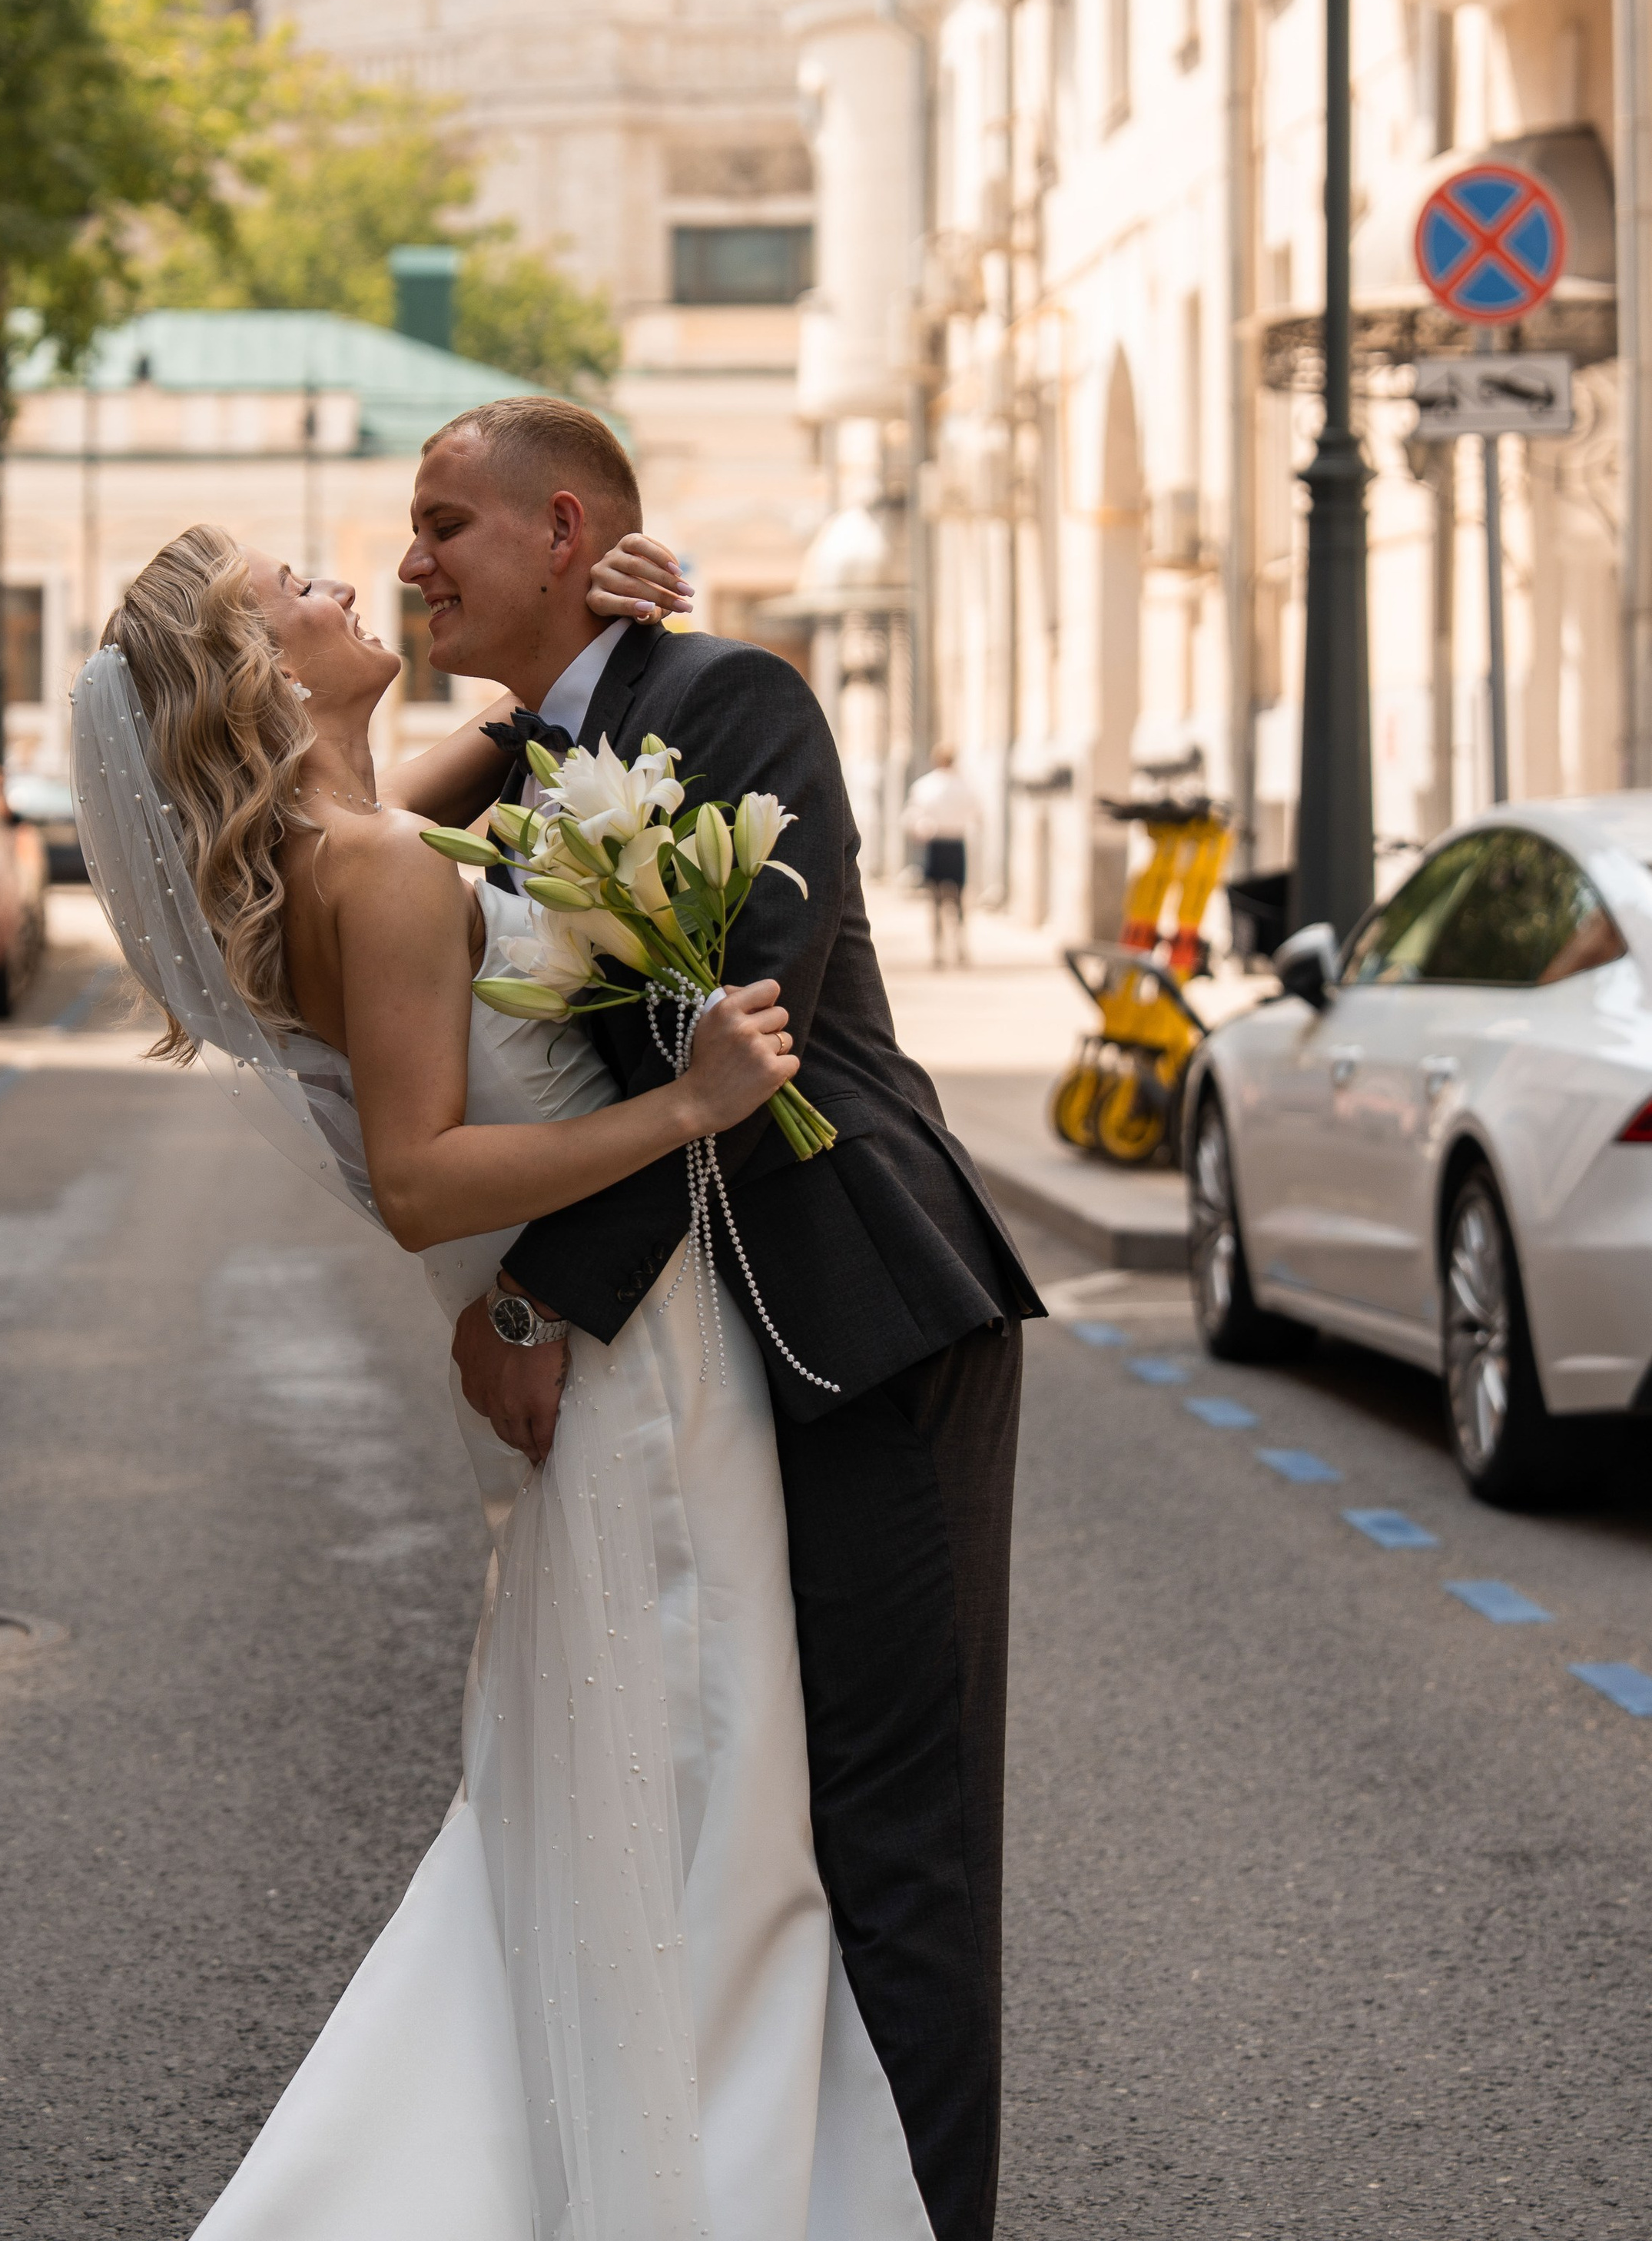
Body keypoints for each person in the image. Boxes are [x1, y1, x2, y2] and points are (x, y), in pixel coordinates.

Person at [71, 515, 944, 2241]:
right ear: (251, 672)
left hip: (627, 1376)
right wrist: (686, 1105)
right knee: (706, 1803)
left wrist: (591, 623)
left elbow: (521, 740)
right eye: (294, 590)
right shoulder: (379, 870)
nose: (346, 585)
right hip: (638, 1384)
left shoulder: (345, 840)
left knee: (623, 1813)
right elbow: (420, 1184)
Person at [404, 398, 1044, 2241]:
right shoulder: (543, 764)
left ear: (565, 527)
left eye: (445, 521)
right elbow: (357, 841)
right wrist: (523, 712)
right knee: (771, 1828)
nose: (413, 558)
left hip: (867, 1317)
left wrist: (538, 1290)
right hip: (712, 1368)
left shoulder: (735, 696)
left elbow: (743, 1046)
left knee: (897, 1846)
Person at [904, 743, 979, 968]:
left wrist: (921, 829)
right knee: (958, 901)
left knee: (935, 901)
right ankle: (960, 948)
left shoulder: (925, 785)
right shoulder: (964, 785)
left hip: (936, 844)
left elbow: (912, 817)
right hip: (955, 844)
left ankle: (938, 951)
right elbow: (977, 814)